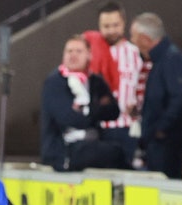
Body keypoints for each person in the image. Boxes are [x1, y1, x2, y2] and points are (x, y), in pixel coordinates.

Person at [39, 35, 125, 172]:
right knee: (110, 152)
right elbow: (68, 118)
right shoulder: (54, 82)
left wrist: (86, 110)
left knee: (121, 144)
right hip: (64, 151)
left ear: (89, 55)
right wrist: (97, 110)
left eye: (78, 51)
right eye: (69, 51)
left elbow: (114, 111)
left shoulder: (96, 81)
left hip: (93, 142)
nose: (73, 55)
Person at [130, 13, 182, 179]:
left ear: (145, 39)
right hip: (160, 144)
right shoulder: (162, 60)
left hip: (168, 147)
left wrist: (161, 129)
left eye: (134, 37)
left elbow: (179, 99)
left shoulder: (172, 60)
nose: (132, 41)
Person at [86, 1, 143, 166]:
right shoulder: (90, 54)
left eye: (115, 25)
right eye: (106, 26)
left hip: (126, 127)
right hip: (98, 128)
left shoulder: (135, 53)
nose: (111, 30)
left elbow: (144, 87)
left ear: (124, 23)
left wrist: (139, 108)